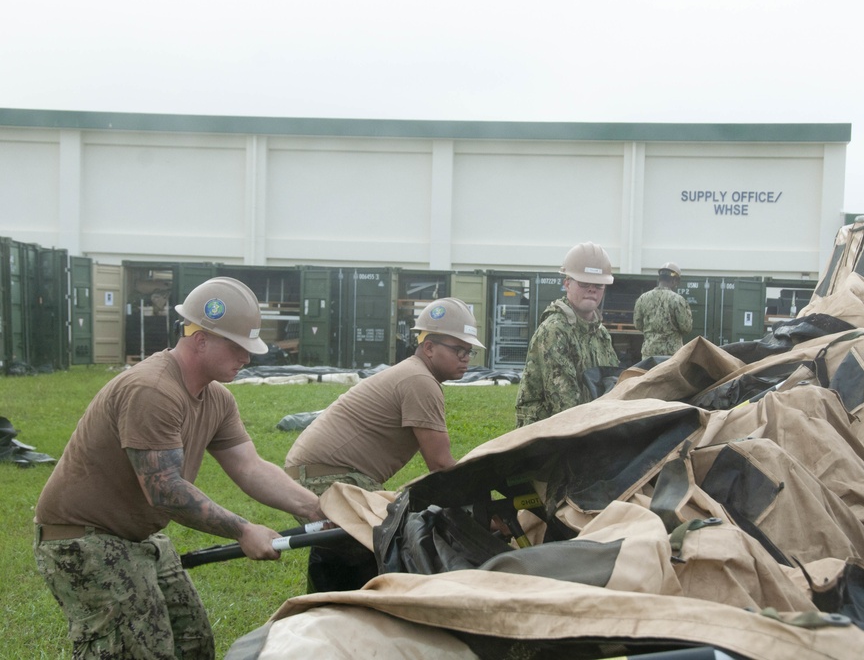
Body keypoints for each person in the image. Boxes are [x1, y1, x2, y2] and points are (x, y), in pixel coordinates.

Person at [33, 277, 325, 660]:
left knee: (193, 643)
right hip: (83, 540)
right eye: (238, 347)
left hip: (137, 537)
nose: (247, 358)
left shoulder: (217, 398)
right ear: (201, 339)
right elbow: (166, 489)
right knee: (136, 652)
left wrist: (316, 510)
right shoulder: (151, 390)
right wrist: (243, 530)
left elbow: (250, 467)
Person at [284, 297, 483, 591]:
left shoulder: (414, 375)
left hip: (319, 473)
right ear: (428, 347)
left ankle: (327, 612)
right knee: (392, 541)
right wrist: (480, 509)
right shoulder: (420, 381)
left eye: (469, 351)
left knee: (350, 547)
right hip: (328, 476)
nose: (465, 357)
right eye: (458, 349)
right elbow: (441, 466)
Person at [515, 242, 620, 427]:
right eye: (583, 283)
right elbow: (565, 405)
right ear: (567, 283)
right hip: (546, 435)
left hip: (586, 428)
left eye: (598, 285)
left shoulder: (600, 334)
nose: (591, 289)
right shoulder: (554, 330)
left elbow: (612, 387)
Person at [632, 262, 693, 360]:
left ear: (660, 278)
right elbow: (686, 328)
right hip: (672, 356)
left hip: (649, 354)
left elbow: (638, 325)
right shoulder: (678, 300)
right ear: (674, 280)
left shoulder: (642, 298)